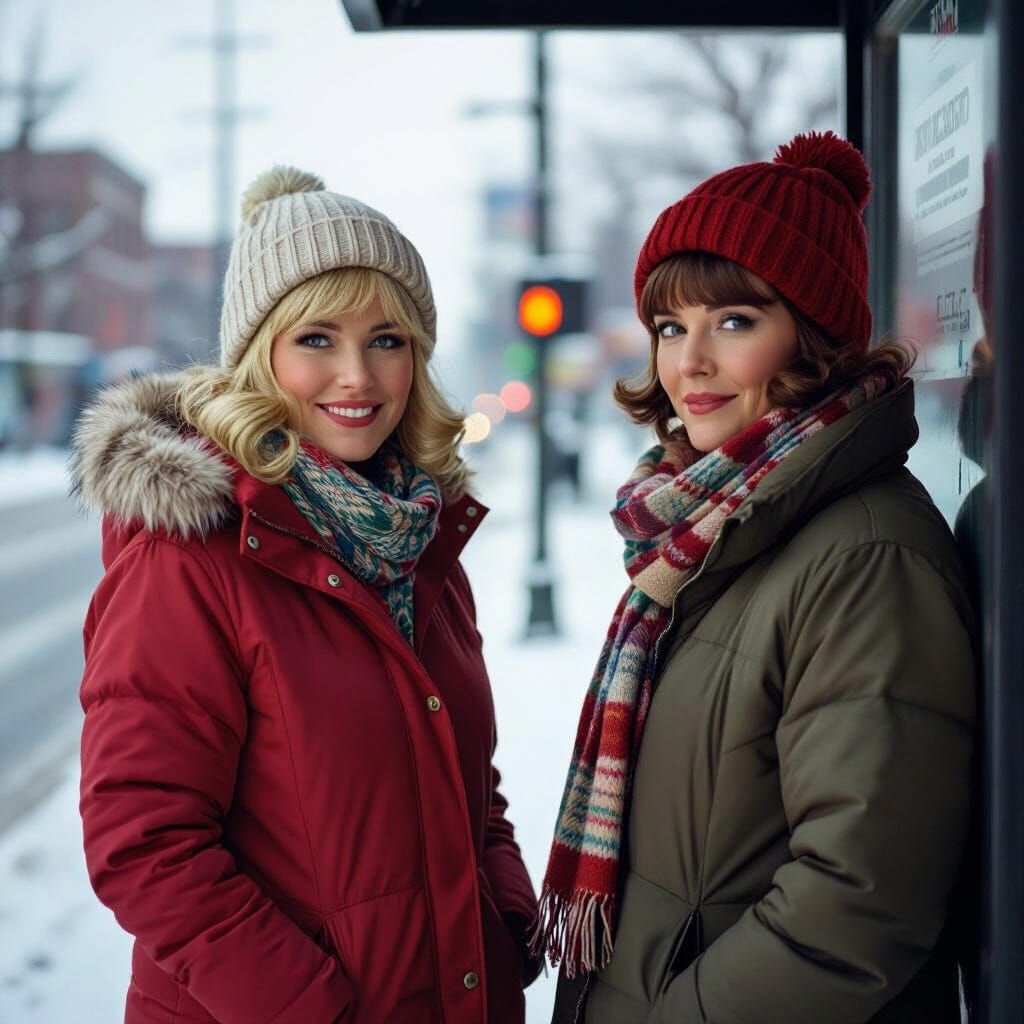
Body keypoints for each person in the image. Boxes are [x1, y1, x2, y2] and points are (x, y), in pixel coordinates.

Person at [71, 166, 538, 1024]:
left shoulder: (421, 542)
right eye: (317, 339)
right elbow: (145, 843)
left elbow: (463, 774)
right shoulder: (189, 562)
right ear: (260, 357)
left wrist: (503, 912)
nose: (357, 375)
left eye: (387, 339)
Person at [535, 132, 976, 1024]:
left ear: (813, 338)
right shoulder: (711, 534)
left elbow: (853, 908)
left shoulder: (864, 558)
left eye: (733, 322)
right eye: (671, 327)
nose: (688, 362)